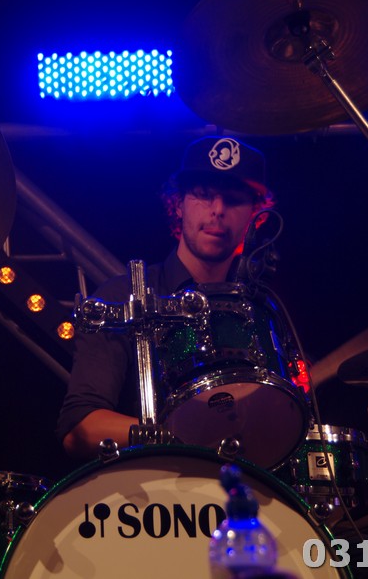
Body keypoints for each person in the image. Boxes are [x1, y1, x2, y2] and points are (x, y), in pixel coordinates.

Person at [56, 135, 281, 460]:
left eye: (233, 200)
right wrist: (183, 437)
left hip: (242, 485)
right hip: (150, 485)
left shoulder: (261, 306)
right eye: (203, 195)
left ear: (255, 214)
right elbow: (80, 428)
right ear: (178, 204)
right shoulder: (123, 295)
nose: (218, 210)